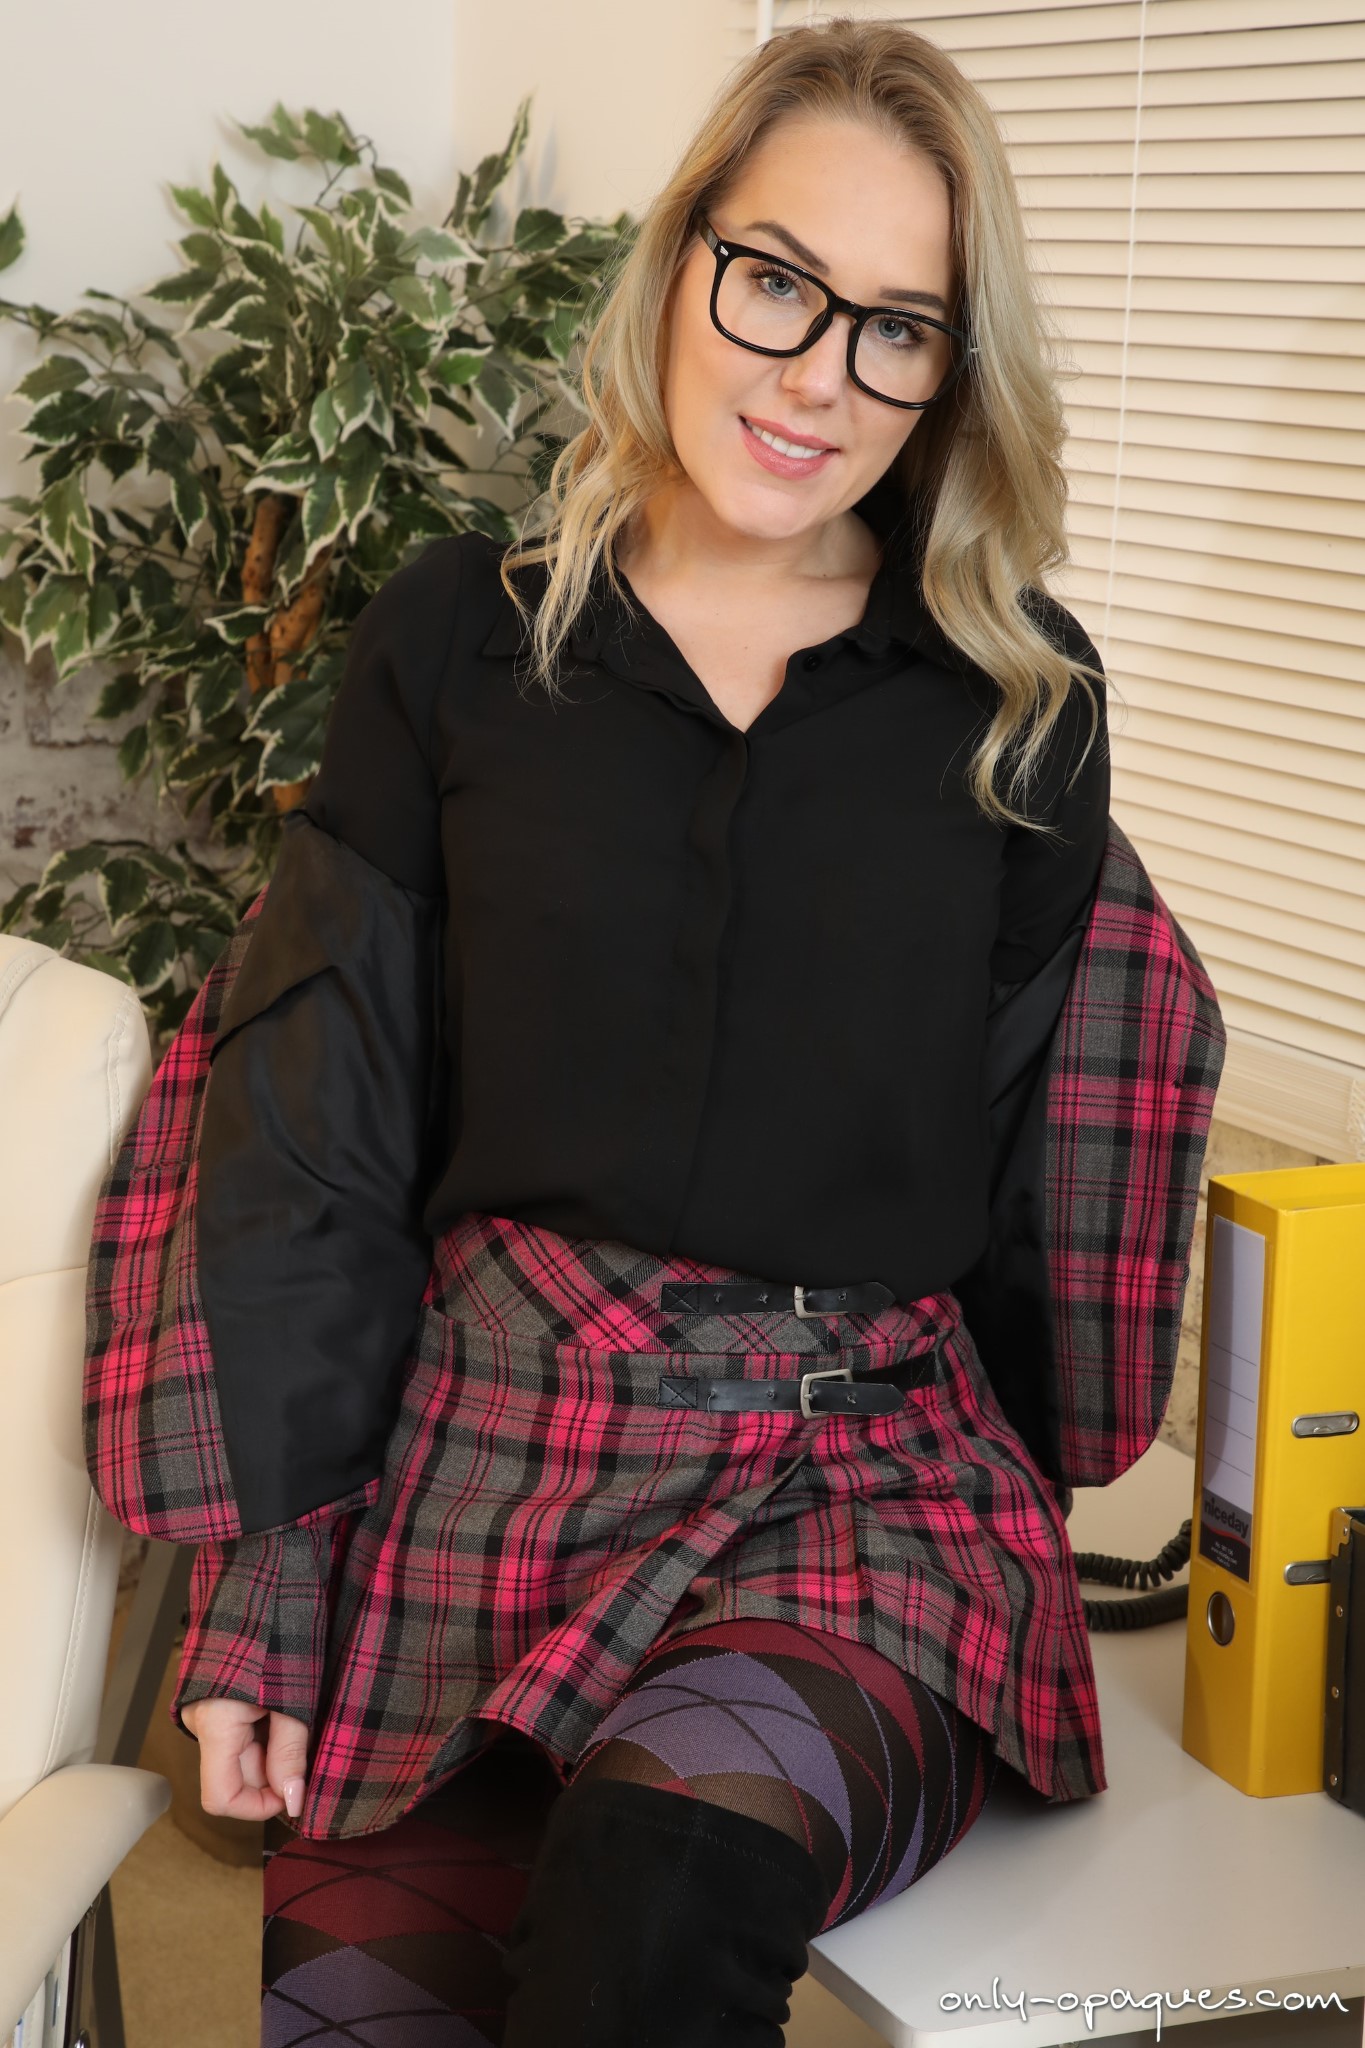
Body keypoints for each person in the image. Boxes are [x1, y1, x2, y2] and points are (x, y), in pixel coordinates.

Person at [82, 18, 1223, 2046]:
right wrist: (267, 1584)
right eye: (776, 280)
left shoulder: (1019, 704)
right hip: (486, 1462)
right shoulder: (457, 637)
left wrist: (1032, 1513)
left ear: (952, 371)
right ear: (682, 256)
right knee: (363, 2017)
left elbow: (1034, 1169)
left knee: (653, 1895)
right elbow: (317, 1126)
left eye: (896, 327)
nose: (815, 375)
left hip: (856, 1495)